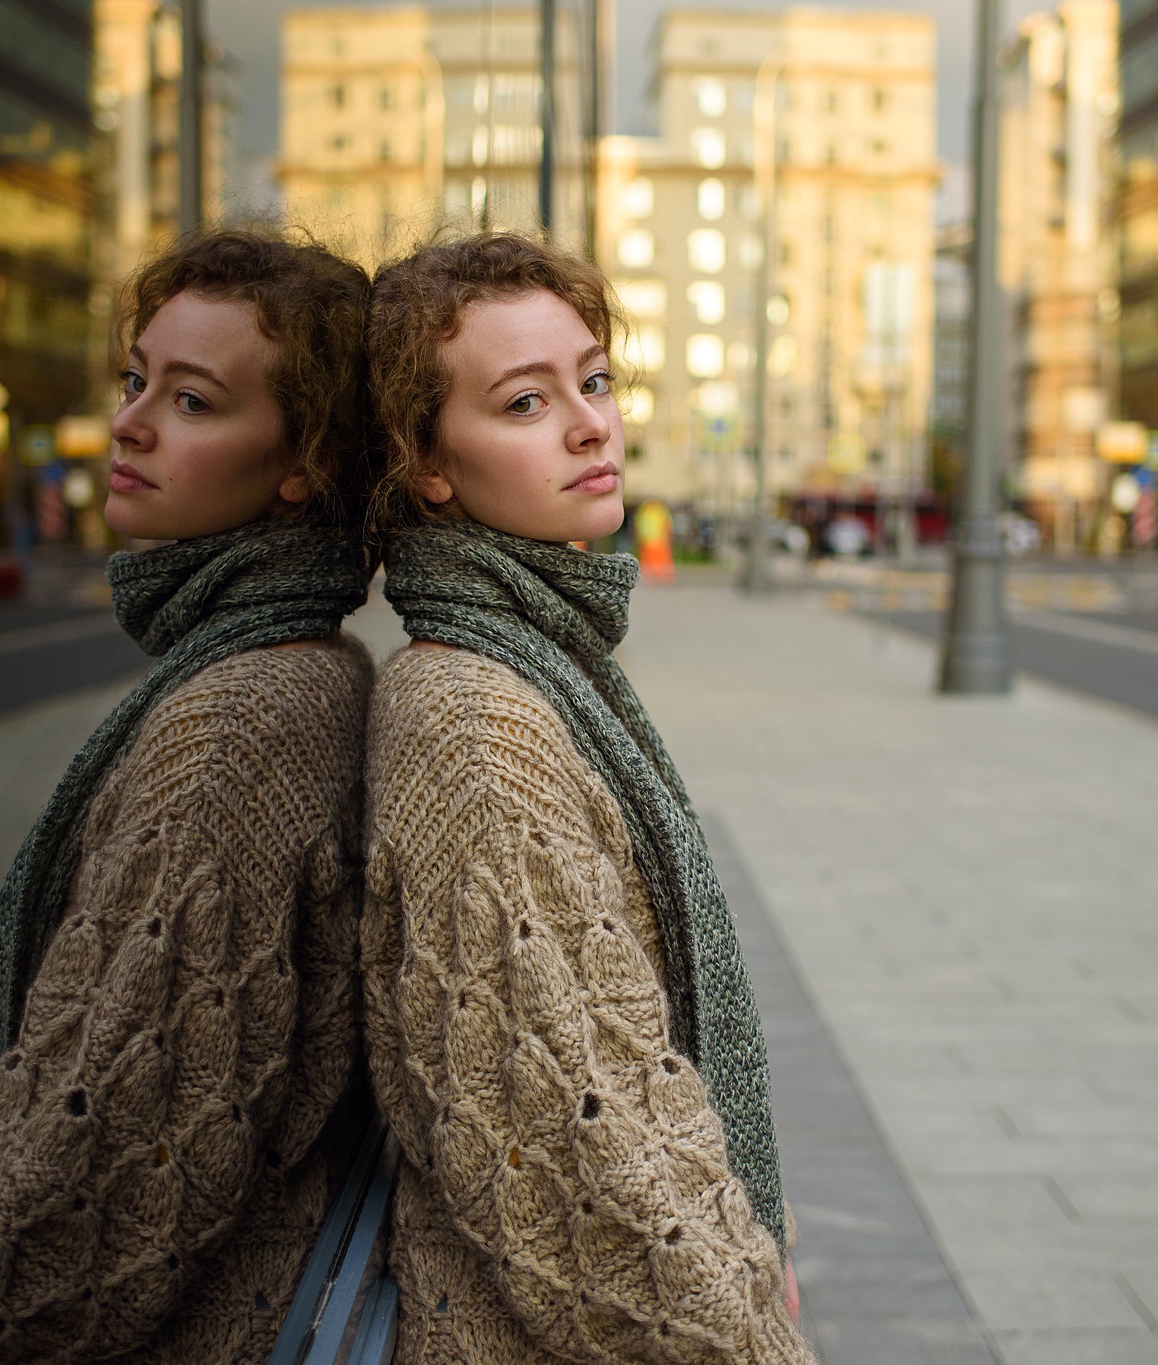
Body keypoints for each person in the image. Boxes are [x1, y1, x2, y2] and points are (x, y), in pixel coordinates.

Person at [0, 229, 377, 1363]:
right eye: (132, 379)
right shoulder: (298, 667)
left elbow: (82, 1168)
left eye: (191, 401)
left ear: (304, 466)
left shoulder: (232, 727)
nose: (130, 423)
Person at [360, 233, 813, 1363]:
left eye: (594, 380)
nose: (588, 424)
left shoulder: (535, 660)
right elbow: (586, 1154)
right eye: (524, 402)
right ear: (426, 462)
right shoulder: (474, 722)